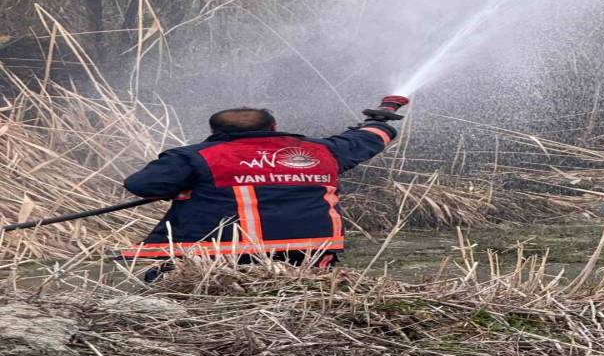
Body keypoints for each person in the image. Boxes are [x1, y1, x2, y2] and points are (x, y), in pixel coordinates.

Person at [120, 96, 408, 279]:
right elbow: (370, 137)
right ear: (273, 126)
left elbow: (141, 185)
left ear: (214, 132)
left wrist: (184, 187)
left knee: (160, 278)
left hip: (219, 257)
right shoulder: (323, 151)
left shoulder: (194, 157)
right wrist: (381, 118)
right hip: (309, 254)